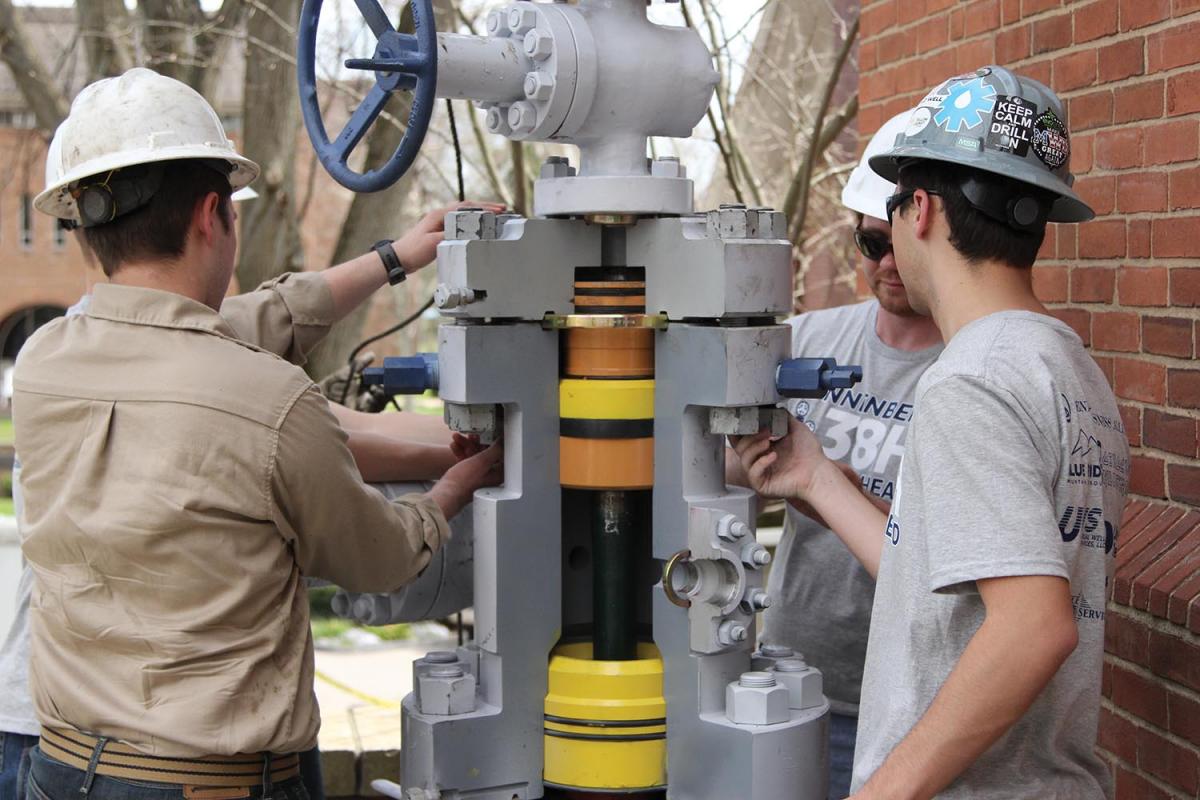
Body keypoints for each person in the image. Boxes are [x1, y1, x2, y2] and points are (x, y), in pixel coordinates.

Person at [11, 67, 502, 800]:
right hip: (213, 783)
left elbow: (220, 327)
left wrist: (394, 258)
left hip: (60, 771)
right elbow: (382, 559)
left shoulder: (46, 359)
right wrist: (458, 484)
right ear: (214, 214)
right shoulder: (270, 401)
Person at [733, 66, 1128, 799]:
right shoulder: (1068, 369)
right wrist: (816, 477)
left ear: (920, 211)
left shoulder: (970, 381)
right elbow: (946, 584)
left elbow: (1033, 629)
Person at [750, 109, 943, 800]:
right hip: (791, 677)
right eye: (868, 246)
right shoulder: (805, 338)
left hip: (908, 701)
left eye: (897, 245)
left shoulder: (970, 371)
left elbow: (954, 553)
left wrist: (838, 492)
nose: (886, 265)